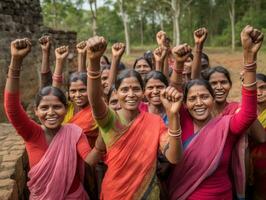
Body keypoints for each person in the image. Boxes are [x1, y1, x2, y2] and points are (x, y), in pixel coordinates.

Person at [167, 25, 263, 200]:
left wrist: (250, 58)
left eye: (204, 96)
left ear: (212, 100)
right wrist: (178, 64)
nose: (199, 103)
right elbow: (172, 93)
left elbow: (249, 113)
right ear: (185, 104)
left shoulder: (226, 126)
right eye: (192, 99)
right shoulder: (181, 121)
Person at [4, 38, 104, 200]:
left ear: (66, 109)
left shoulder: (74, 132)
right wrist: (16, 61)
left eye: (57, 107)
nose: (51, 112)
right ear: (36, 111)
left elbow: (89, 160)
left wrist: (102, 137)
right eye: (44, 107)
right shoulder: (31, 133)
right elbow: (12, 108)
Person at [86, 36, 183, 199]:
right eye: (124, 90)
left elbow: (174, 157)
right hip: (115, 194)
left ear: (143, 92)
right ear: (115, 93)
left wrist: (173, 116)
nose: (130, 94)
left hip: (147, 194)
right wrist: (94, 61)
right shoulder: (110, 120)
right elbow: (95, 101)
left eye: (136, 89)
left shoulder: (155, 122)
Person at [248, 73, 266, 200]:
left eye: (263, 88)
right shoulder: (244, 112)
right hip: (250, 166)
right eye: (254, 89)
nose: (259, 93)